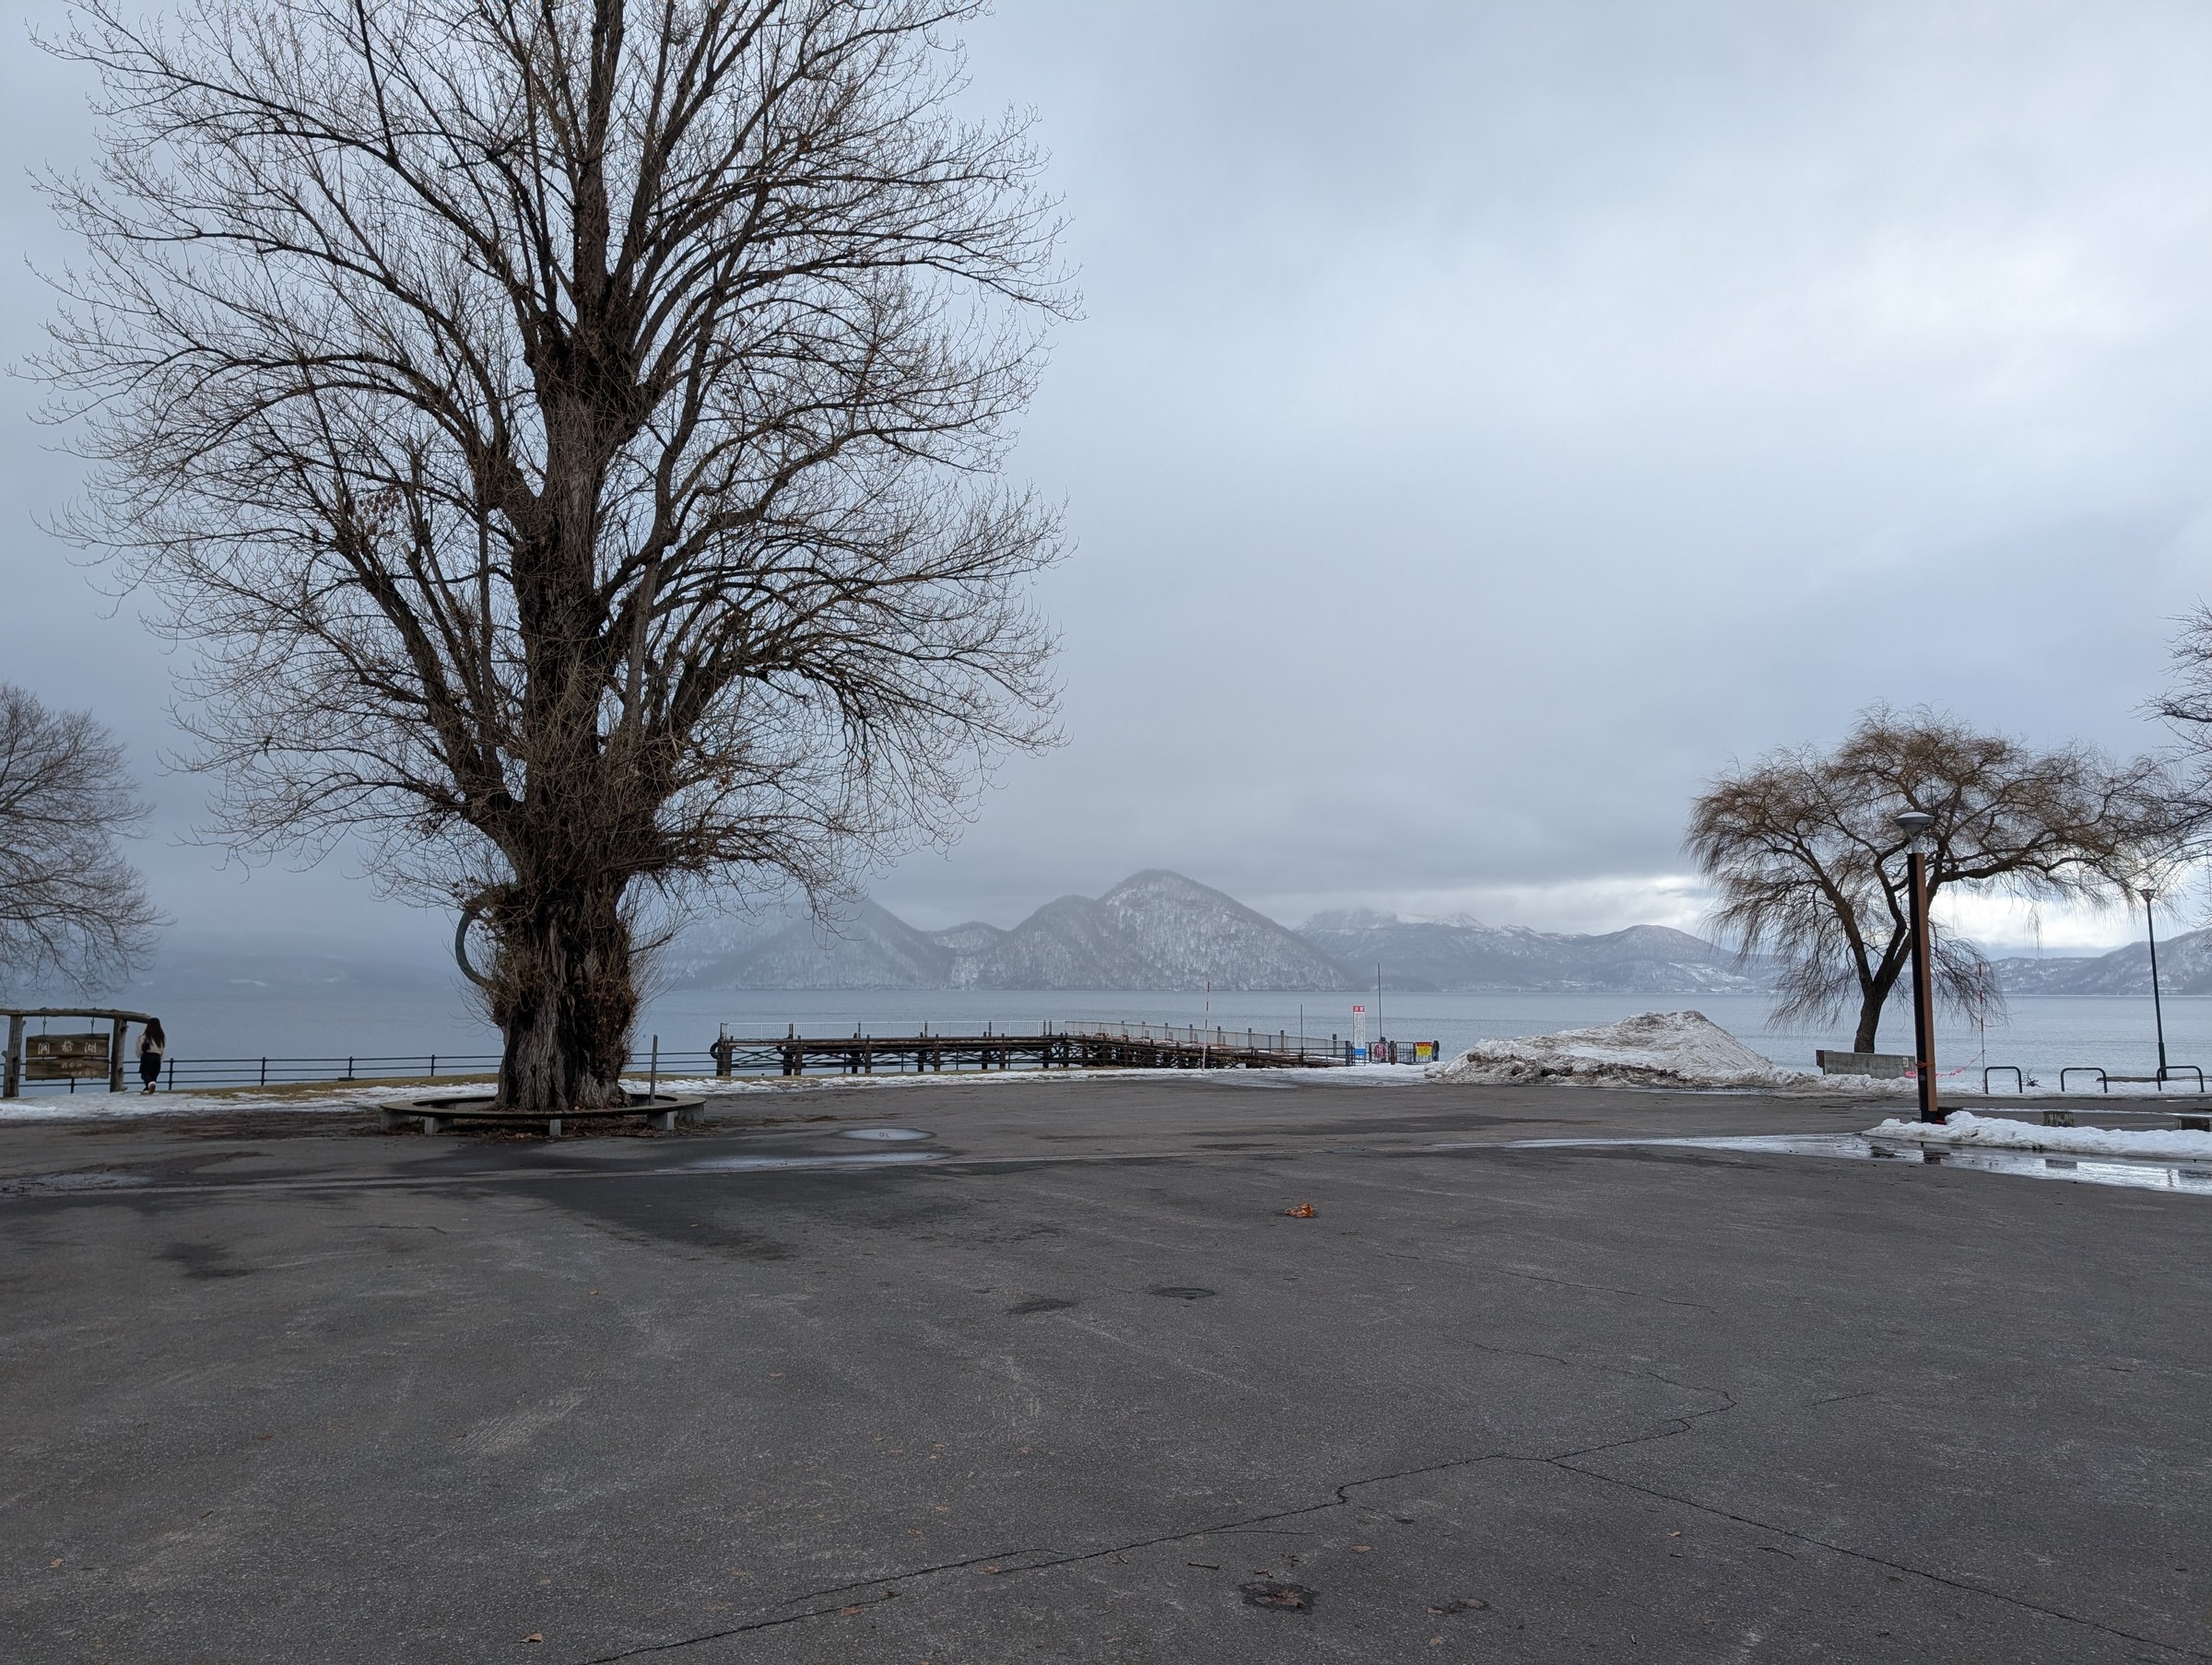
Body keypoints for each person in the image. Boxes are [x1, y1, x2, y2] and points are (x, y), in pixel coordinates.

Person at [137, 1019, 165, 1095]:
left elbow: (140, 1044)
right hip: (157, 1056)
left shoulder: (145, 1033)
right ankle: (150, 1087)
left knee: (145, 1072)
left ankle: (149, 1085)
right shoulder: (161, 1035)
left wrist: (139, 1054)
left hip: (147, 1055)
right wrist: (161, 1059)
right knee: (154, 1073)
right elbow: (163, 1048)